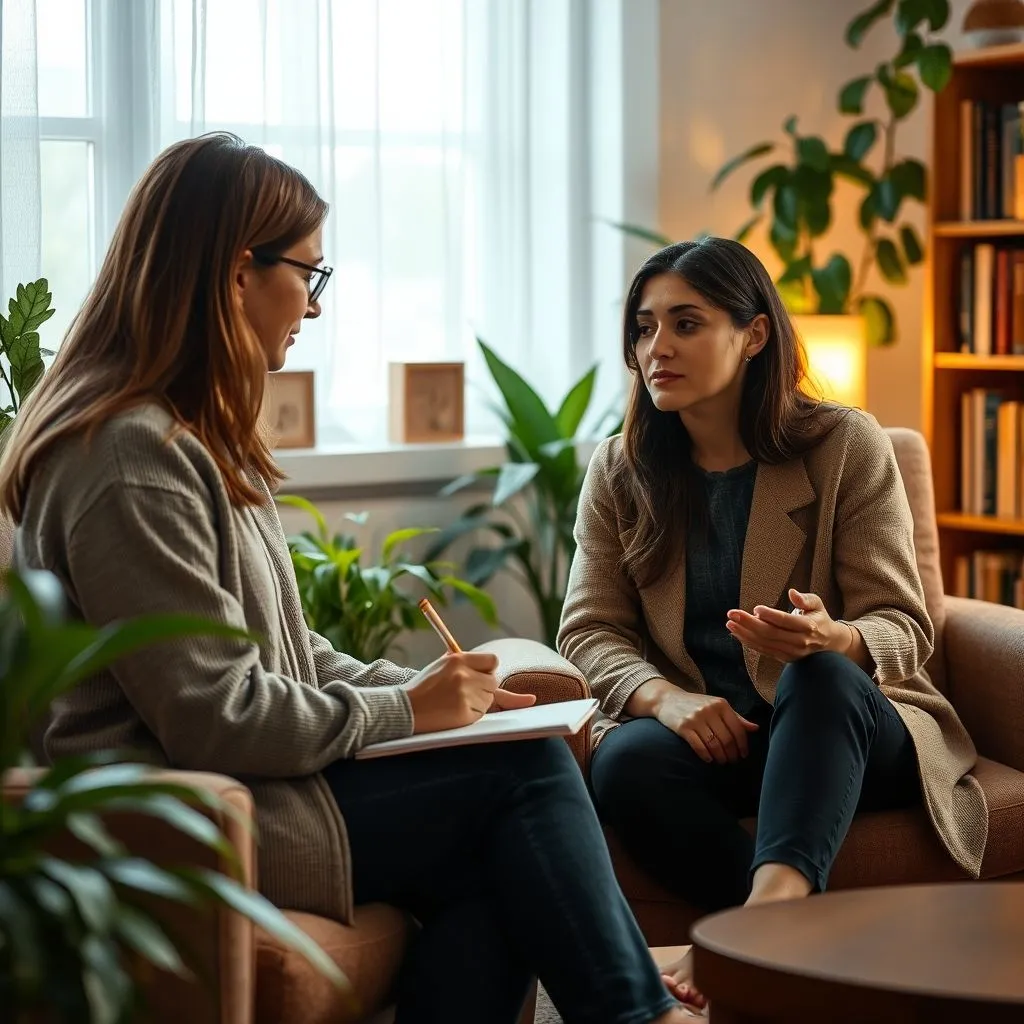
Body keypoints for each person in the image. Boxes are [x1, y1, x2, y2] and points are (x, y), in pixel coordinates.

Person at [0, 133, 696, 1024]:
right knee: (522, 780)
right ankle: (641, 1014)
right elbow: (215, 716)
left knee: (502, 845)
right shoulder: (131, 459)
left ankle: (629, 996)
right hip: (194, 818)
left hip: (259, 790)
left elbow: (290, 652)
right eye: (309, 275)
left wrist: (430, 692)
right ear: (234, 274)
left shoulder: (186, 440)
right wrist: (408, 712)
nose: (316, 307)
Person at [558, 237, 988, 1013]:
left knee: (819, 676)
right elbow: (588, 631)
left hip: (847, 729)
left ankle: (757, 927)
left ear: (753, 335)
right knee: (624, 764)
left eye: (686, 324)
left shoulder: (842, 445)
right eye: (645, 328)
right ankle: (798, 936)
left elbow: (905, 620)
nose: (658, 348)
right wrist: (663, 698)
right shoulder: (620, 471)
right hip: (716, 735)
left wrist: (839, 639)